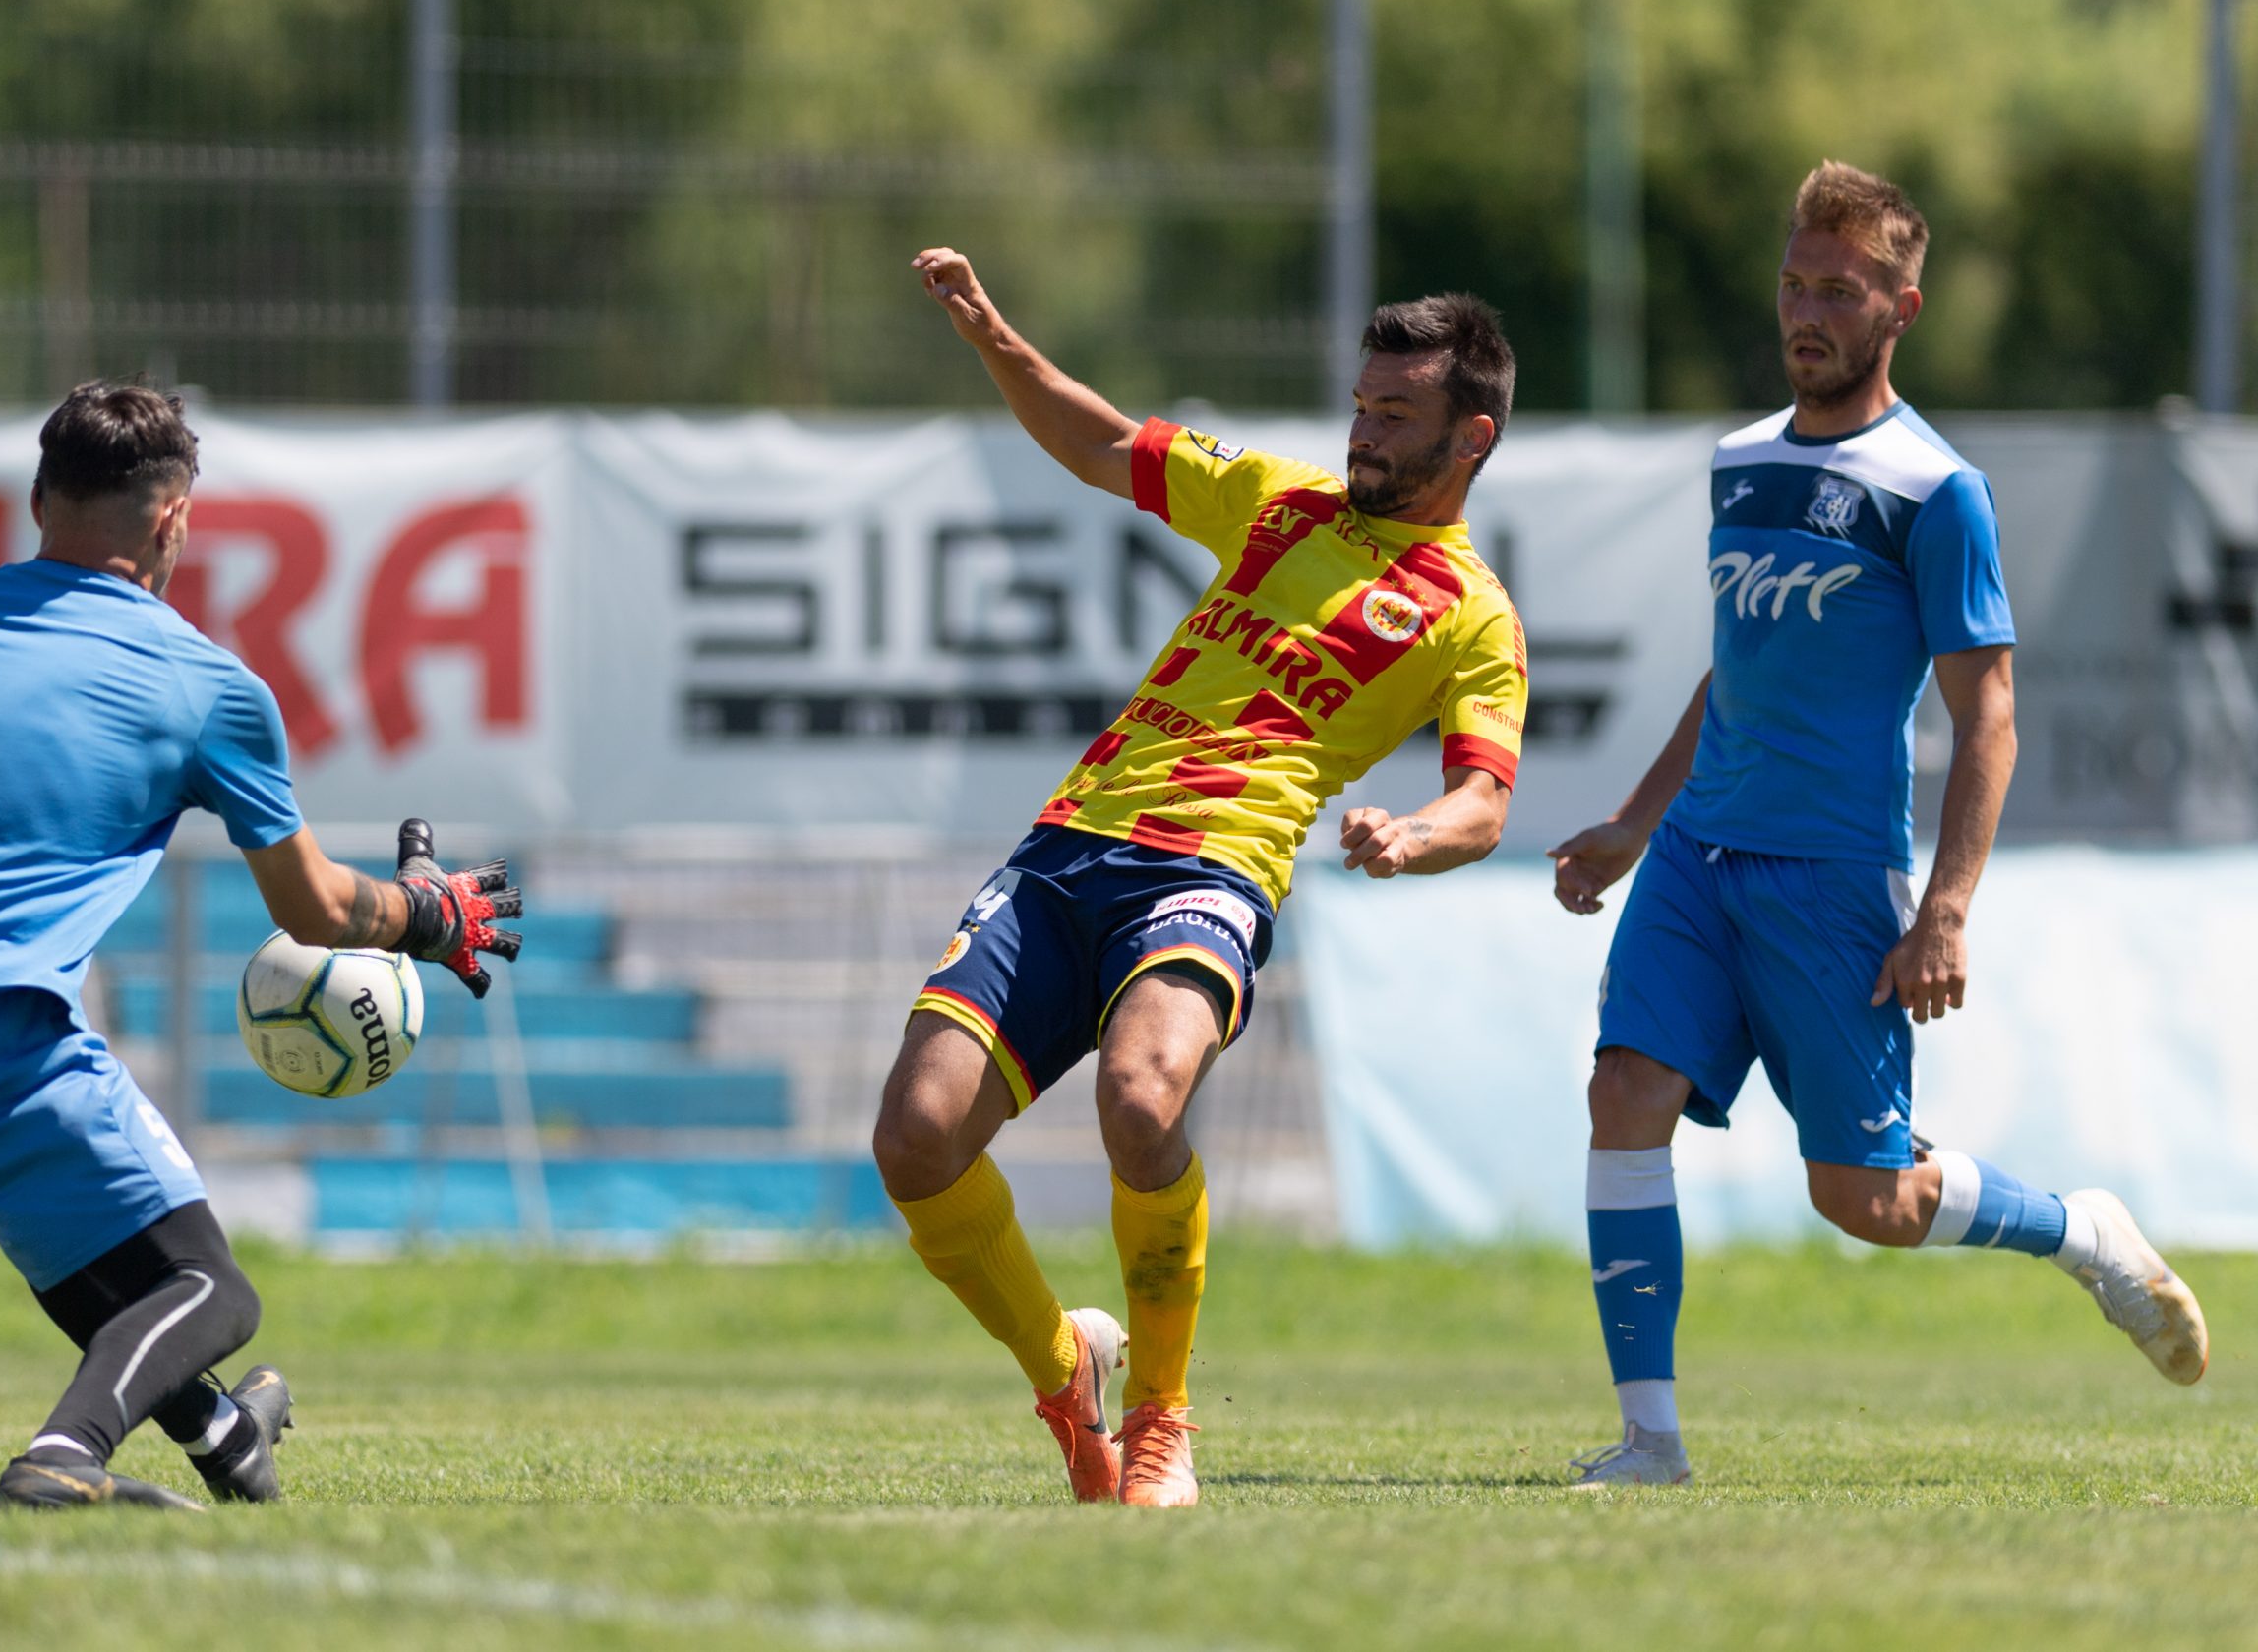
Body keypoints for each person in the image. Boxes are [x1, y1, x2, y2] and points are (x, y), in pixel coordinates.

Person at [1546, 163, 2207, 1489]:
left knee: (1867, 1199)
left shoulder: (1937, 489)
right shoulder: (1739, 464)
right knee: (1624, 1094)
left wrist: (1946, 906)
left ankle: (2081, 1230)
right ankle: (1650, 1441)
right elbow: (1737, 670)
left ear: (1900, 305)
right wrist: (1630, 822)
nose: (1808, 308)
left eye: (1839, 289)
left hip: (1832, 876)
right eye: (1795, 282)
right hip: (1694, 861)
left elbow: (1993, 710)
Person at [0, 382, 522, 1511]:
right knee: (210, 1289)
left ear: (39, 495)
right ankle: (65, 1451)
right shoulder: (204, 684)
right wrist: (427, 913)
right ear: (176, 517)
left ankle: (226, 1434)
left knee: (89, 1250)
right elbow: (319, 912)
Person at [877, 248, 1529, 1507]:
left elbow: (1486, 798)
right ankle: (1069, 1374)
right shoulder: (1281, 504)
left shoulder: (1472, 615)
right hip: (1070, 842)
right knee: (914, 1137)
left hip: (1217, 864)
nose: (1363, 431)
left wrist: (1412, 833)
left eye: (1396, 415)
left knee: (1141, 1093)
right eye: (1360, 403)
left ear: (1472, 437)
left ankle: (1165, 1422)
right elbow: (1106, 445)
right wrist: (992, 337)